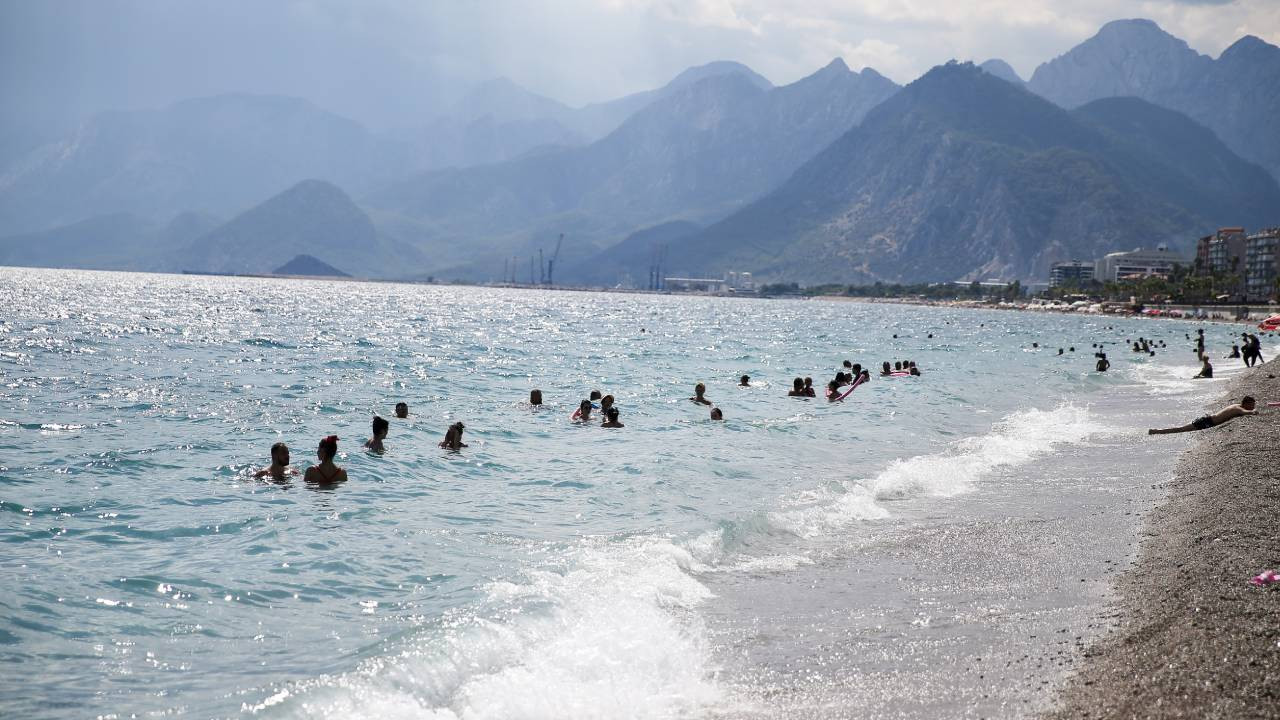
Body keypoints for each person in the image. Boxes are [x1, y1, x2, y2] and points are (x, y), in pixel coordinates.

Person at [1148, 397, 1257, 434]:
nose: (1252, 407)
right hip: (1207, 421)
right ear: (1246, 403)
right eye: (1252, 405)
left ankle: (1157, 431)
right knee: (1181, 429)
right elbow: (1245, 412)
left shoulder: (1236, 405)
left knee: (1182, 428)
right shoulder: (1238, 408)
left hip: (1207, 419)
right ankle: (1156, 431)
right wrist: (1253, 412)